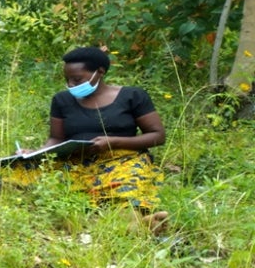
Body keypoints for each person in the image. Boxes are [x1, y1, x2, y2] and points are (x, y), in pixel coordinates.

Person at [9, 46, 168, 231]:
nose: (71, 85)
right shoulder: (62, 100)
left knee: (124, 187)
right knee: (17, 171)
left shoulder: (132, 96)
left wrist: (113, 142)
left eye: (77, 79)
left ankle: (137, 223)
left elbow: (158, 136)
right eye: (67, 80)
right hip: (75, 161)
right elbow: (56, 138)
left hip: (122, 159)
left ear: (99, 72)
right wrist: (35, 153)